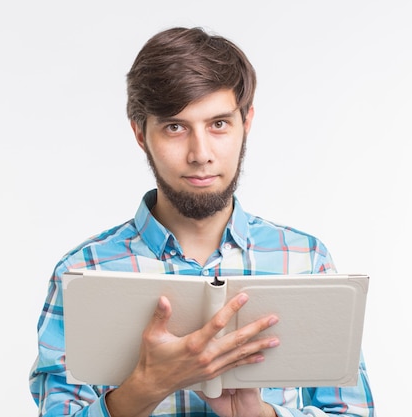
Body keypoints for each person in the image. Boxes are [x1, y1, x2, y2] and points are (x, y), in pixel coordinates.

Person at [29, 26, 375, 417]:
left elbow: (352, 412)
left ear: (247, 122)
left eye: (219, 124)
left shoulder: (306, 260)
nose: (200, 153)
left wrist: (259, 415)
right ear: (140, 133)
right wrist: (147, 386)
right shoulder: (83, 272)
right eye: (175, 127)